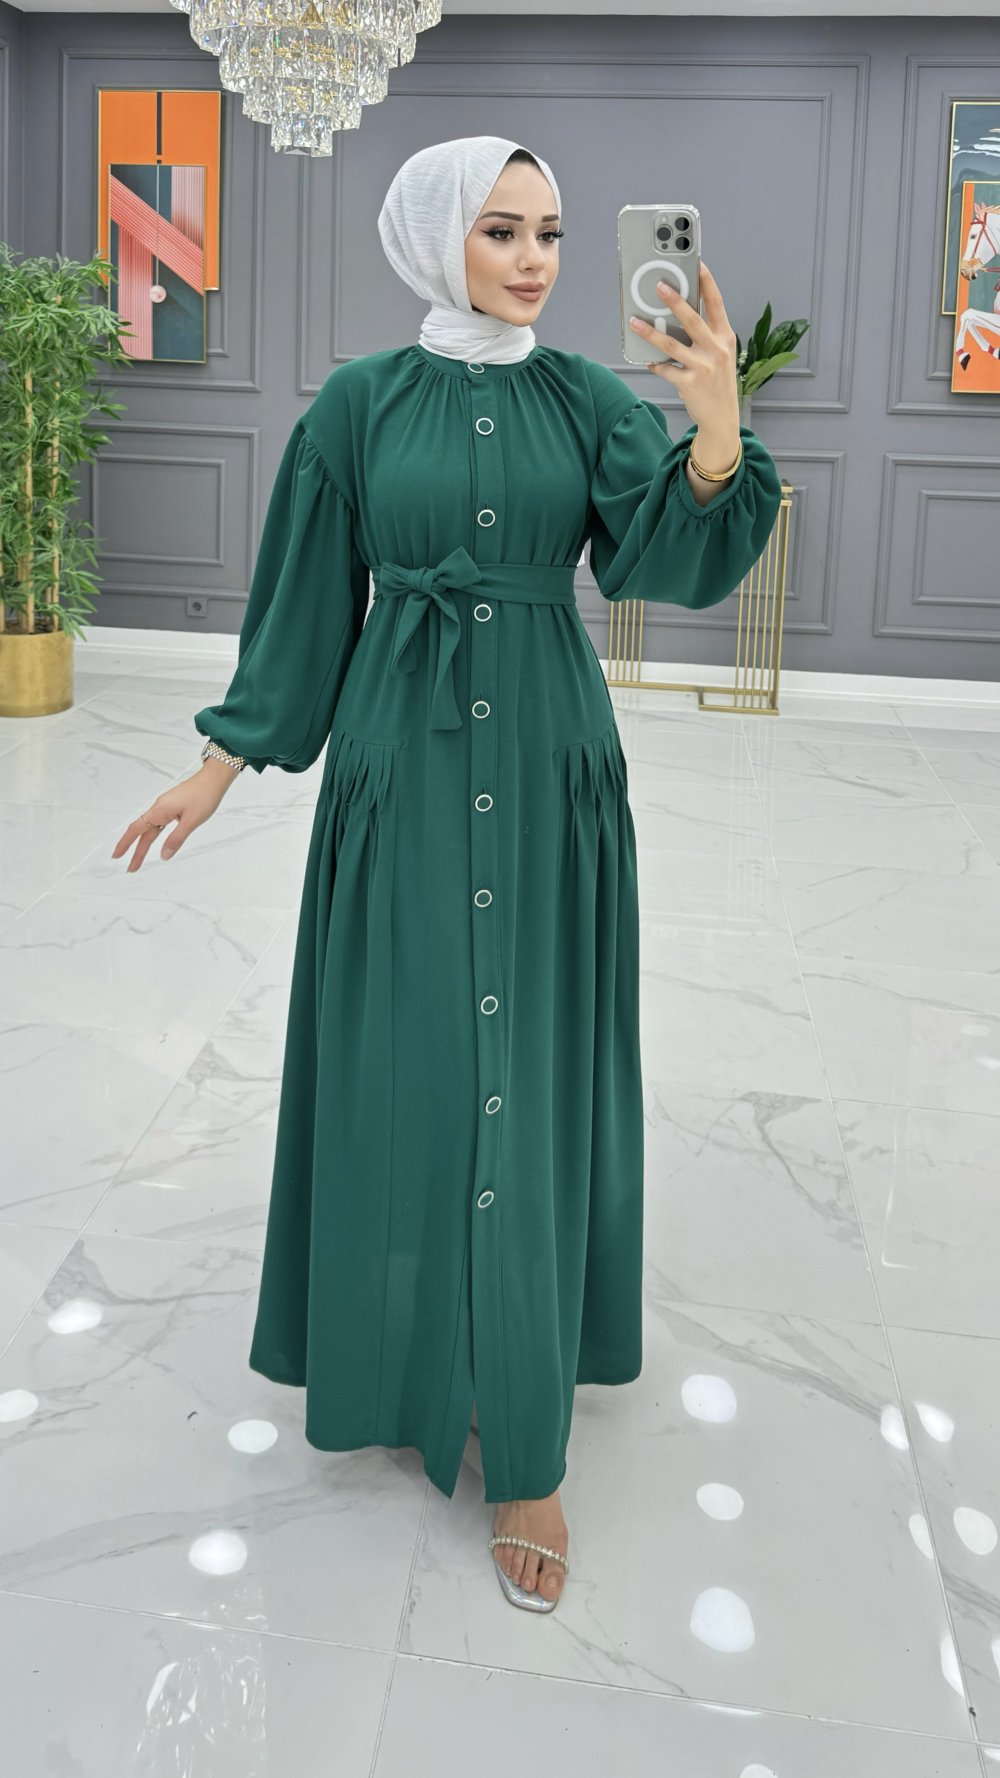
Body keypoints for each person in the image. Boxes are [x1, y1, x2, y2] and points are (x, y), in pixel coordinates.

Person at [112, 136, 783, 1615]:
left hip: (546, 767)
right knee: (407, 1059)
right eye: (502, 230)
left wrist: (715, 432)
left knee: (524, 1074)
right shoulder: (357, 406)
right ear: (435, 239)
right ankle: (399, 1352)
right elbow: (305, 602)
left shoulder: (590, 397)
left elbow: (662, 563)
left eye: (551, 232)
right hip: (398, 772)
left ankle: (526, 1436)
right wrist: (221, 761)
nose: (536, 258)